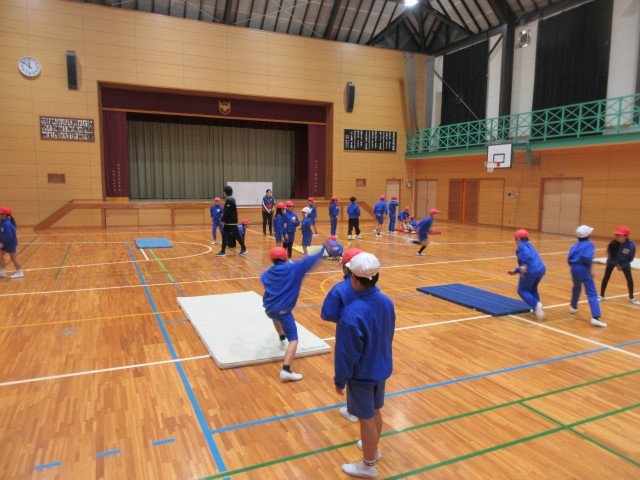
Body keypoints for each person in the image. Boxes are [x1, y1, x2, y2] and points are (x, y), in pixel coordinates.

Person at [334, 252, 395, 479]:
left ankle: (368, 465)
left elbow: (346, 353)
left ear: (354, 278)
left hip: (362, 375)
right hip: (381, 368)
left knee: (365, 418)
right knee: (375, 411)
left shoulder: (352, 312)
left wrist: (340, 379)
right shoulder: (387, 301)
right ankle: (373, 448)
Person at [261, 244, 328, 381]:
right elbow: (309, 261)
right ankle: (286, 370)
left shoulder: (265, 275)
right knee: (294, 339)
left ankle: (281, 337)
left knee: (275, 317)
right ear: (286, 258)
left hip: (269, 309)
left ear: (272, 260)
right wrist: (323, 249)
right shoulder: (293, 269)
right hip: (284, 311)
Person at [321, 247, 363, 423]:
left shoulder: (339, 289)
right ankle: (369, 405)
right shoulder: (374, 289)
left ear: (345, 268)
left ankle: (354, 410)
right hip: (370, 334)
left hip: (348, 333)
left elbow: (327, 314)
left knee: (352, 366)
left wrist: (339, 381)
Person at [568, 225, 606, 327]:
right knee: (591, 292)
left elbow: (569, 259)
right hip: (583, 269)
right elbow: (588, 258)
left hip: (573, 268)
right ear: (588, 235)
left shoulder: (574, 246)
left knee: (576, 287)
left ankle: (573, 306)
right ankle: (595, 317)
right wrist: (589, 270)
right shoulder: (589, 245)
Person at [507, 229, 546, 319]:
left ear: (518, 239)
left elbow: (526, 256)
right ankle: (537, 308)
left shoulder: (521, 246)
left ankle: (536, 305)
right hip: (541, 269)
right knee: (533, 289)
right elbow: (531, 260)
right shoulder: (530, 246)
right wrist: (515, 271)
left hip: (530, 271)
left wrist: (524, 265)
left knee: (522, 290)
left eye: (515, 239)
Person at [599, 226, 639, 304]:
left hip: (624, 262)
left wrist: (623, 264)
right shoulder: (612, 244)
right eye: (616, 234)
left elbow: (630, 258)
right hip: (612, 261)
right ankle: (601, 295)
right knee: (606, 277)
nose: (616, 236)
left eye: (619, 235)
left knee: (629, 279)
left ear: (626, 236)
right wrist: (617, 264)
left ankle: (632, 297)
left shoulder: (631, 246)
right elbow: (612, 256)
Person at [215, 186, 247, 257]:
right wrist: (224, 220)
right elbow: (227, 212)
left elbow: (227, 212)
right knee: (224, 236)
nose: (223, 193)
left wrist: (222, 219)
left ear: (225, 192)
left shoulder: (229, 200)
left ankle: (244, 248)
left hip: (232, 222)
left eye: (224, 191)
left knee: (237, 235)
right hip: (228, 223)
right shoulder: (230, 200)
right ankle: (223, 251)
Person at [0, 207, 23, 279]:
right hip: (6, 242)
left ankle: (20, 272)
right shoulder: (2, 222)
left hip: (10, 243)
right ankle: (2, 271)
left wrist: (3, 244)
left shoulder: (7, 224)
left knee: (13, 257)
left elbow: (8, 236)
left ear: (4, 215)